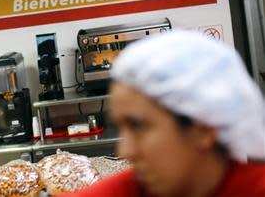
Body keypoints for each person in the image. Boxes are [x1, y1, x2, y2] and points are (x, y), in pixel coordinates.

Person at [61, 30, 265, 197]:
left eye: (138, 126)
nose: (124, 151)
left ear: (204, 128)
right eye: (121, 127)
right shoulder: (135, 189)